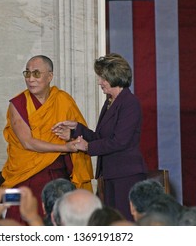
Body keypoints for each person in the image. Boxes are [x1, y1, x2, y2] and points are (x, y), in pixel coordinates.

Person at [52, 53, 148, 221]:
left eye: (103, 78)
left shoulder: (130, 103)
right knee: (111, 222)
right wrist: (75, 129)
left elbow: (119, 141)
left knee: (123, 222)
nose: (99, 82)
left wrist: (88, 148)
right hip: (111, 174)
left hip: (126, 174)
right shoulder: (110, 101)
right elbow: (100, 136)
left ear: (115, 75)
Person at [1, 55, 94, 223]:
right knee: (17, 221)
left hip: (57, 174)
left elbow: (81, 134)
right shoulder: (17, 103)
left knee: (61, 220)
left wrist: (71, 135)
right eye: (27, 73)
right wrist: (66, 148)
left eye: (36, 73)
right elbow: (27, 142)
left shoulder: (63, 100)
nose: (30, 79)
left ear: (49, 76)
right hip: (22, 175)